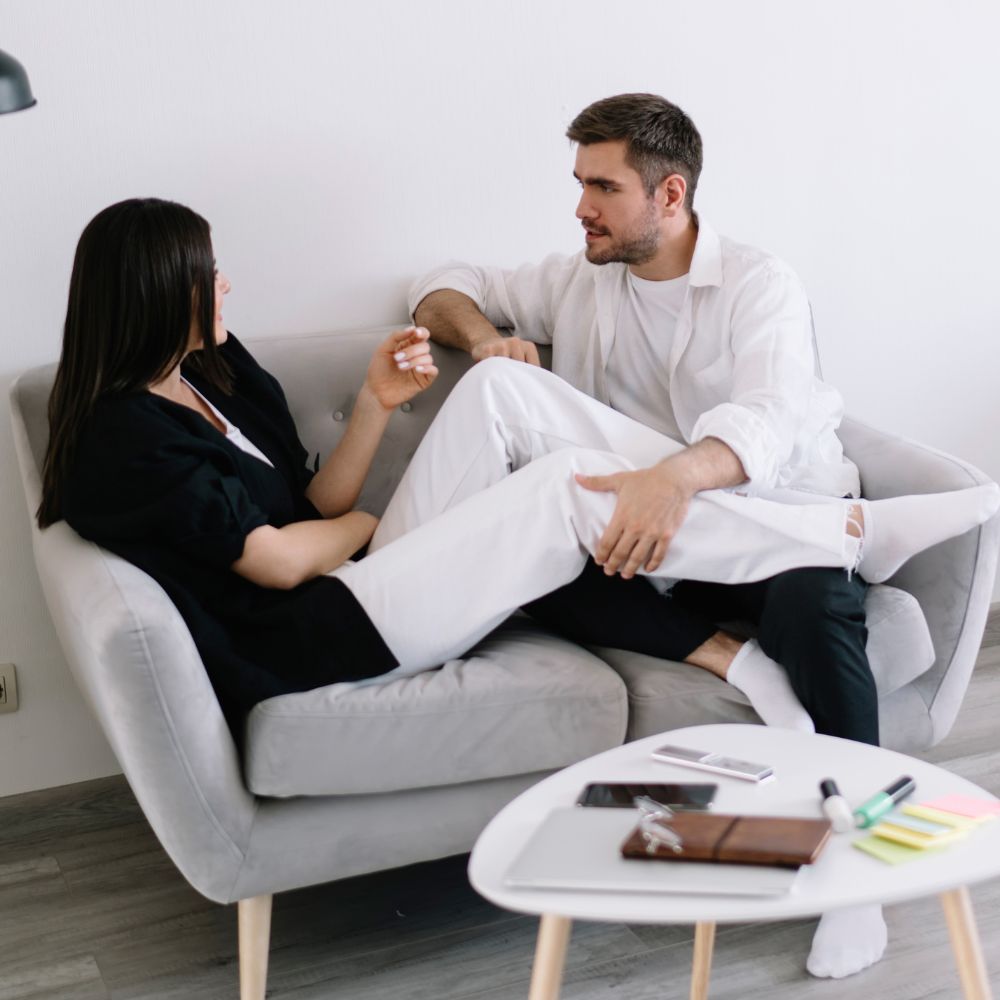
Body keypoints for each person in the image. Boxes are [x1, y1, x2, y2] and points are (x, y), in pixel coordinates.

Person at [38, 198, 995, 981]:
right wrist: (372, 529)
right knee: (556, 494)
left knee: (501, 391)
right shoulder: (118, 440)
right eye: (208, 273)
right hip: (315, 633)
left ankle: (834, 536)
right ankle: (842, 532)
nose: (226, 284)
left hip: (358, 583)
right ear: (156, 290)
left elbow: (311, 498)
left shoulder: (213, 369)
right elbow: (283, 558)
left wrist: (375, 402)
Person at [405, 92, 994, 978]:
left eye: (602, 187)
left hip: (772, 521)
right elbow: (445, 283)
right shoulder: (580, 276)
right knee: (524, 549)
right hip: (658, 553)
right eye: (578, 183)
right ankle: (782, 610)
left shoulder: (760, 284)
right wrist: (490, 340)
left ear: (670, 195)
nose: (580, 208)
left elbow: (765, 417)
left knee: (809, 606)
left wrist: (672, 479)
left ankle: (861, 876)